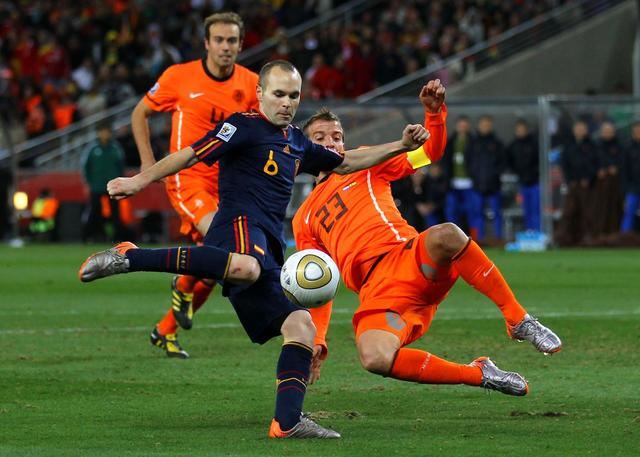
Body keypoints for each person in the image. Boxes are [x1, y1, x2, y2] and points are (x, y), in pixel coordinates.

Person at [78, 60, 430, 439]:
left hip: (269, 244)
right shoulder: (243, 126)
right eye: (278, 94)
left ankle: (287, 422)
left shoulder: (296, 140)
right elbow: (192, 154)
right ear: (261, 93)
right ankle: (130, 256)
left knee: (301, 326)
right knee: (246, 266)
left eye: (293, 95)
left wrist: (401, 145)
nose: (286, 103)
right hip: (237, 226)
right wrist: (141, 179)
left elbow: (346, 162)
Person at [292, 80, 562, 400]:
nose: (331, 143)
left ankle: (518, 319)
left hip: (409, 258)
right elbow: (319, 287)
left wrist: (434, 115)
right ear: (305, 149)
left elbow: (428, 153)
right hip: (378, 293)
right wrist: (318, 342)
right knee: (374, 357)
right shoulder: (303, 218)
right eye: (320, 138)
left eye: (337, 137)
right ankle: (478, 373)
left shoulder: (364, 162)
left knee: (447, 233)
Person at [131, 12, 260, 358]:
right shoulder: (178, 77)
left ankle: (166, 327)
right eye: (218, 40)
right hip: (187, 180)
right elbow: (139, 113)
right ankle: (183, 286)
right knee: (221, 245)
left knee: (223, 260)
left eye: (232, 41)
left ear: (240, 44)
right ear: (206, 43)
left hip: (228, 186)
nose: (225, 47)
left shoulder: (250, 85)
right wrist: (147, 165)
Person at [81, 122, 125, 242]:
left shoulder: (116, 148)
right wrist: (87, 183)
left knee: (115, 213)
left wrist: (121, 183)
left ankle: (117, 237)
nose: (104, 134)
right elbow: (86, 167)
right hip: (96, 185)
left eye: (106, 131)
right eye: (102, 131)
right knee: (95, 211)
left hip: (113, 186)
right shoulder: (92, 149)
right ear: (98, 133)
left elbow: (121, 166)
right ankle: (93, 236)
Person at [506, 119, 540, 232]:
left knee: (536, 209)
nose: (520, 132)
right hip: (522, 183)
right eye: (518, 130)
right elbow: (509, 162)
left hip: (535, 182)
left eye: (522, 129)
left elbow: (539, 161)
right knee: (526, 210)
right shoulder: (513, 146)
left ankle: (537, 232)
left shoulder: (534, 144)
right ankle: (529, 232)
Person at [620, 121, 640, 234]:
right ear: (633, 133)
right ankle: (625, 237)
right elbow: (624, 170)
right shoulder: (627, 149)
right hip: (632, 187)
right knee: (629, 212)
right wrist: (625, 187)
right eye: (636, 132)